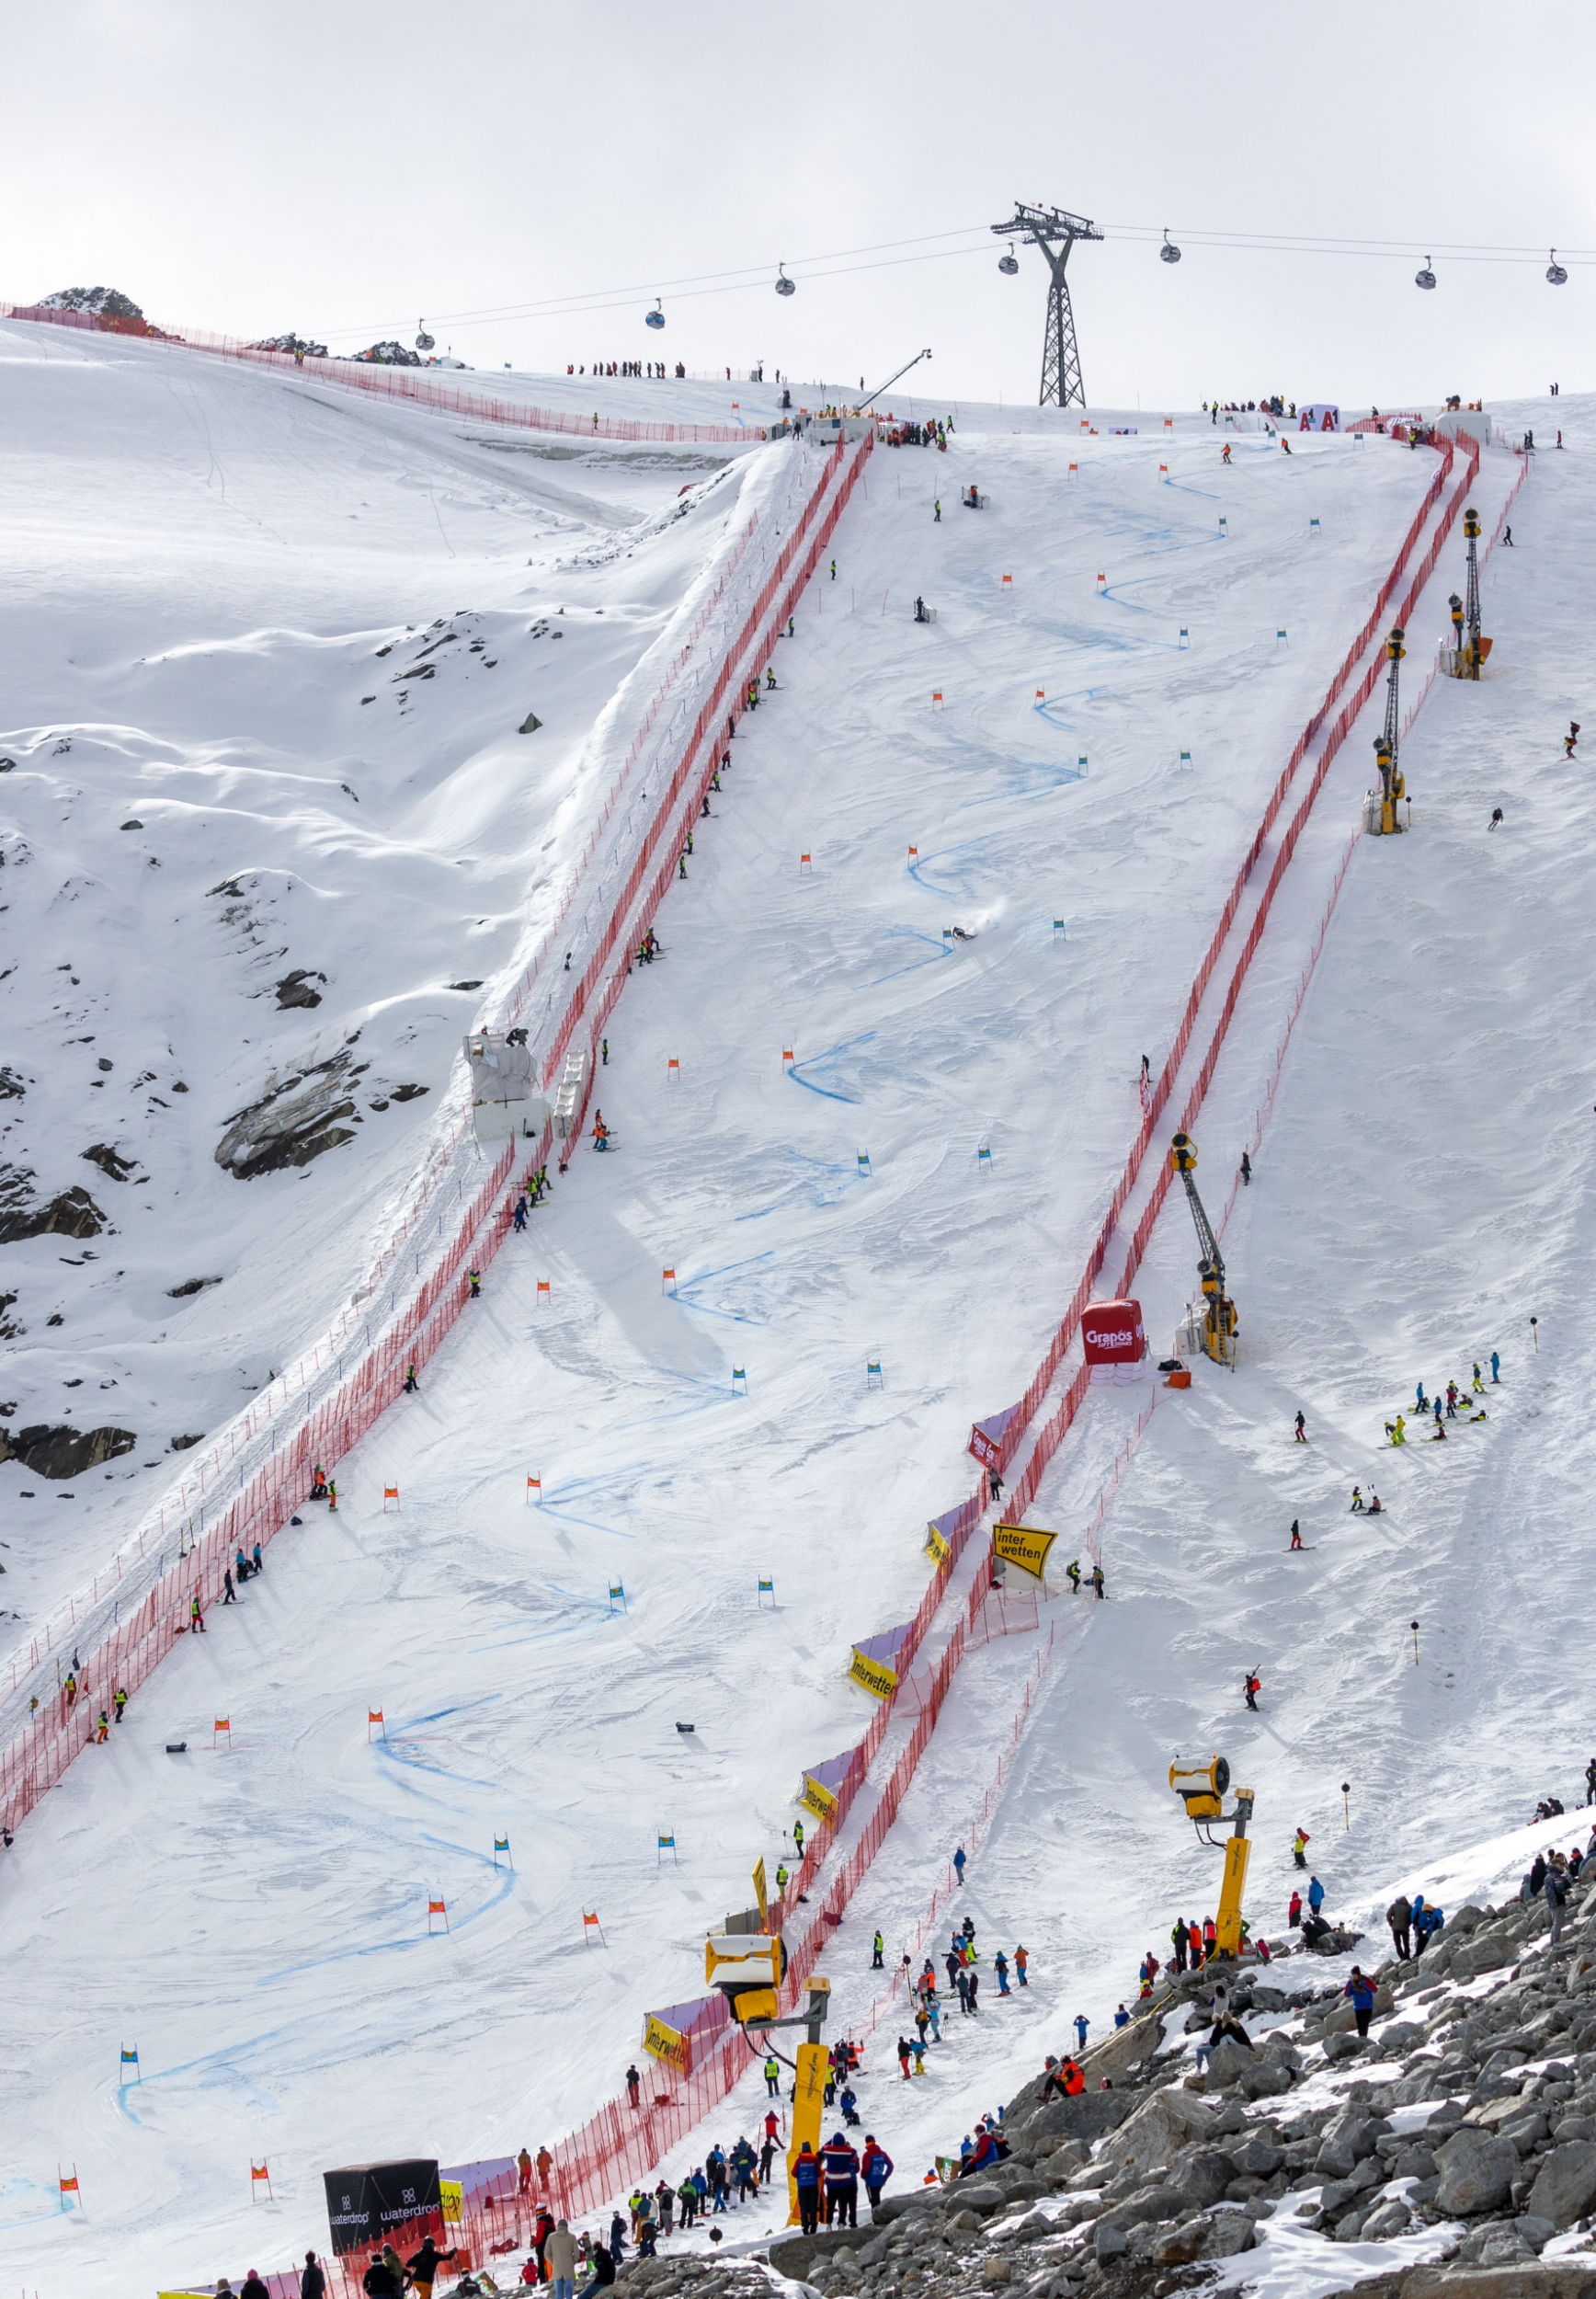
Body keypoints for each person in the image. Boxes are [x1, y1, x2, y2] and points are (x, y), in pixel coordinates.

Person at [823, 2131, 860, 2225]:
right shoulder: (847, 2152)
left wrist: (831, 2141)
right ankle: (841, 2222)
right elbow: (854, 2151)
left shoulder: (829, 2150)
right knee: (843, 2204)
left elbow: (822, 2148)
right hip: (845, 2182)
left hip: (831, 2182)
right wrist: (845, 2146)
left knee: (830, 2204)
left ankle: (829, 2223)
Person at [794, 2142, 822, 2234]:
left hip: (802, 2186)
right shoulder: (815, 2159)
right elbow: (819, 2173)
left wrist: (801, 2175)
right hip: (813, 2185)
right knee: (813, 2205)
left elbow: (793, 2173)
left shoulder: (799, 2160)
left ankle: (805, 2226)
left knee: (804, 2206)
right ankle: (813, 2225)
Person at [1343, 1967, 1378, 2039]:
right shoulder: (1351, 1983)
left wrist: (1363, 1983)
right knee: (1360, 2027)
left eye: (1355, 1974)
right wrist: (1349, 1983)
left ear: (1358, 1974)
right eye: (1352, 1975)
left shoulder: (1365, 1980)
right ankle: (1362, 2041)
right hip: (1358, 2008)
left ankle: (1363, 2040)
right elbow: (1347, 1994)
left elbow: (1375, 1990)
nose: (1353, 1976)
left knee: (1364, 2026)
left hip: (1367, 2007)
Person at [861, 2135, 894, 2207]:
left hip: (870, 2182)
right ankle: (879, 2215)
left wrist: (863, 2176)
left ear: (866, 2143)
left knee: (873, 2201)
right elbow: (890, 2166)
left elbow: (866, 2169)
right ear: (874, 2142)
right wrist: (885, 2177)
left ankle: (876, 2217)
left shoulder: (867, 2155)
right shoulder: (882, 2153)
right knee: (877, 2199)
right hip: (880, 2180)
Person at [1546, 1853, 1571, 1945]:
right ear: (1556, 1865)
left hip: (1551, 1902)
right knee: (1559, 1922)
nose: (1562, 1866)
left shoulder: (1548, 1876)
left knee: (1555, 1922)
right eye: (1561, 1864)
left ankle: (1552, 1941)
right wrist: (1568, 1892)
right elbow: (1560, 1889)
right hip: (1559, 1901)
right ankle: (1556, 1942)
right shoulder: (1556, 1876)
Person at [1387, 1893, 1413, 1961]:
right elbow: (1412, 1917)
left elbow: (1388, 1915)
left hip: (1396, 1929)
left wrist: (1391, 1923)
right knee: (1406, 1944)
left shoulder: (1394, 1906)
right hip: (1405, 1928)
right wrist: (1408, 1924)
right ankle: (1407, 1958)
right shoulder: (1409, 1907)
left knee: (1398, 1944)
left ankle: (1402, 1958)